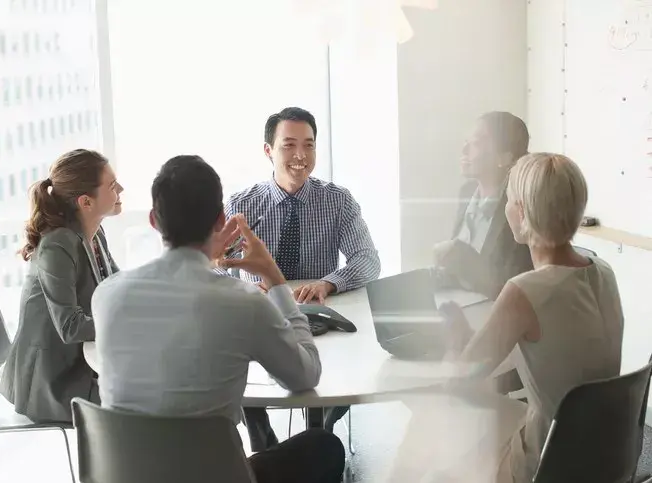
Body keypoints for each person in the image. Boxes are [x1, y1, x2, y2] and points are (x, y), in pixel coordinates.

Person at [91, 155, 346, 483]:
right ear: (220, 220)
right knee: (324, 445)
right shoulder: (243, 302)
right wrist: (274, 277)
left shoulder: (107, 296)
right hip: (216, 475)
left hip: (128, 474)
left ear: (154, 220)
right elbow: (305, 375)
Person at [395, 153, 623, 482]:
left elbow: (459, 381)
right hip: (603, 450)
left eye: (509, 198)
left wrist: (457, 338)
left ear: (522, 212)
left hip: (549, 460)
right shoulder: (604, 271)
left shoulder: (524, 291)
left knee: (434, 411)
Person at [223, 106, 381, 444]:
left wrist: (329, 281)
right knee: (232, 348)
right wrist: (254, 282)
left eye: (308, 145)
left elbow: (368, 260)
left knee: (349, 353)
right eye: (289, 145)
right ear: (269, 151)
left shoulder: (337, 201)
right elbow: (221, 266)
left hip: (319, 312)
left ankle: (322, 425)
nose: (300, 156)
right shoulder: (242, 205)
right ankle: (259, 429)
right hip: (262, 314)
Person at [0, 149, 123, 423]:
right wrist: (126, 322)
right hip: (52, 381)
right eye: (112, 186)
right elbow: (70, 326)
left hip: (79, 365)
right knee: (142, 399)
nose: (121, 190)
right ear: (86, 202)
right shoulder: (57, 244)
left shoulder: (95, 234)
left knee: (149, 391)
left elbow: (117, 286)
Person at [433, 111, 533, 300]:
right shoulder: (467, 192)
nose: (464, 150)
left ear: (504, 158)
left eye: (477, 142)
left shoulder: (518, 208)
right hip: (458, 303)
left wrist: (460, 255)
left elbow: (513, 285)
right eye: (466, 141)